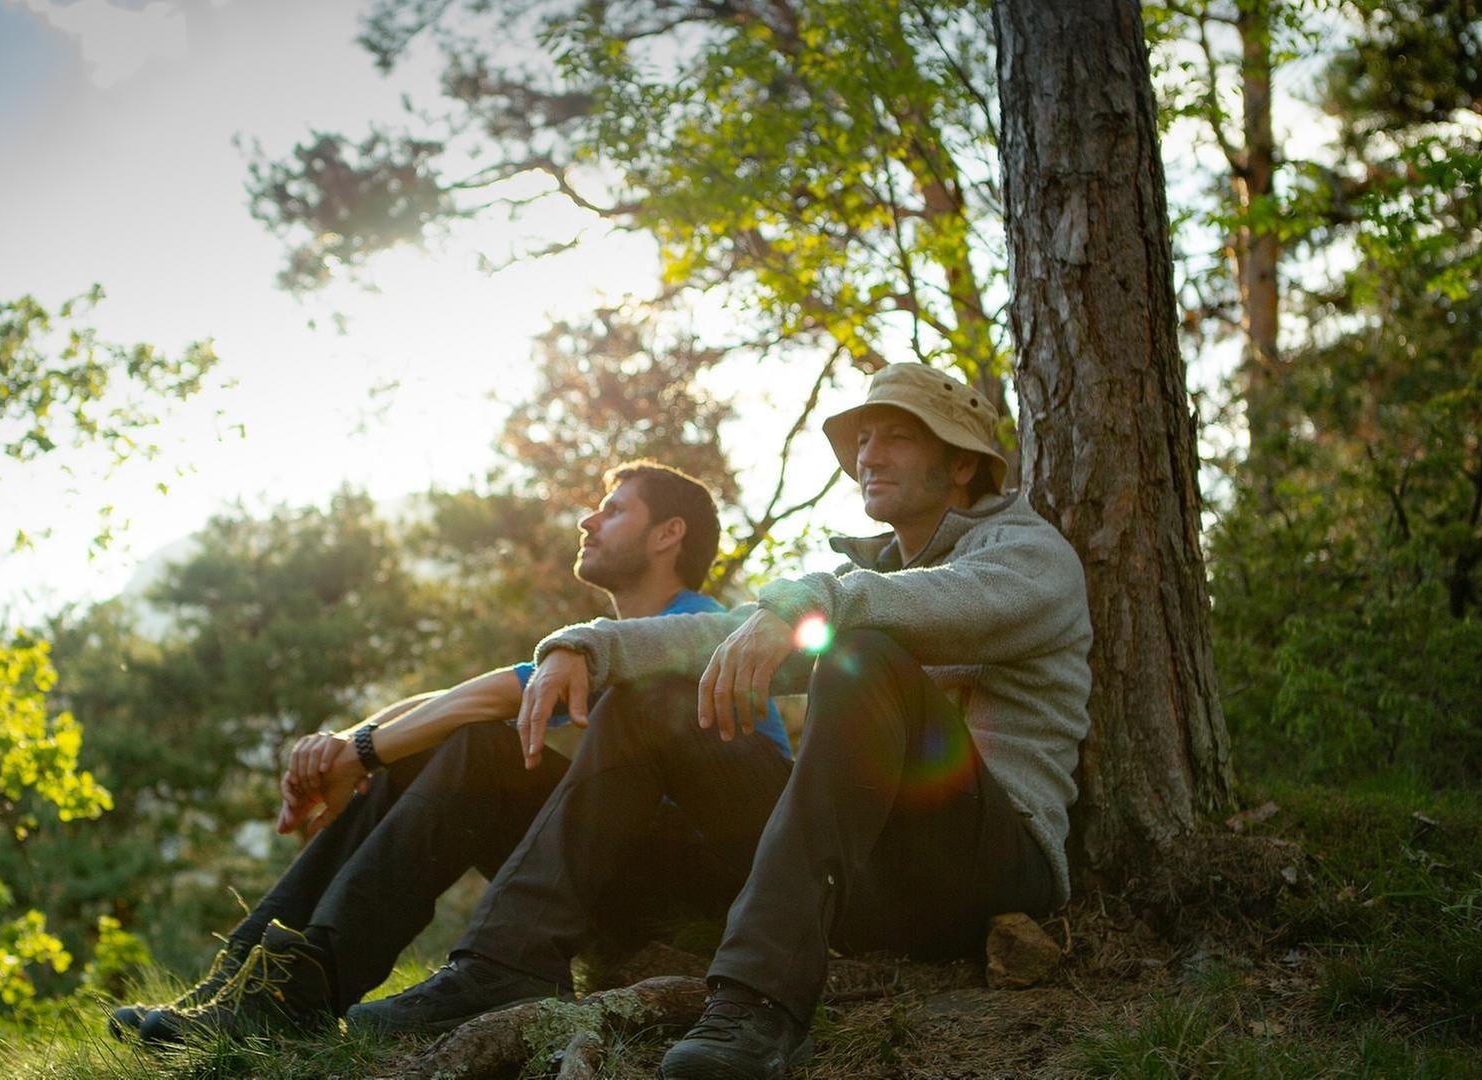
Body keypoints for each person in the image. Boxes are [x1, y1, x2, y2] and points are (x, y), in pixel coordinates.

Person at [355, 364, 1092, 1080]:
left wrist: (814, 607)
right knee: (654, 698)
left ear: (962, 465)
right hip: (871, 880)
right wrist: (594, 647)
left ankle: (758, 1002)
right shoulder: (870, 585)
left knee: (861, 652)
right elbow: (728, 633)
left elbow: (939, 605)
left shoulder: (1028, 555)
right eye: (862, 439)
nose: (869, 455)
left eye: (896, 436)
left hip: (992, 867)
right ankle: (502, 963)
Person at [109, 460, 790, 1044]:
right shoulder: (612, 639)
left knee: (476, 747)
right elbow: (456, 698)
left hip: (698, 886)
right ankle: (251, 980)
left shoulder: (693, 630)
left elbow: (493, 698)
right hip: (616, 861)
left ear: (670, 534)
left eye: (612, 510)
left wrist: (362, 751)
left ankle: (307, 986)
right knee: (447, 745)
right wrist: (355, 745)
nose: (588, 521)